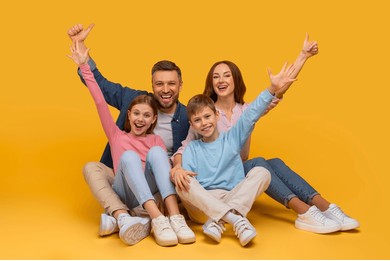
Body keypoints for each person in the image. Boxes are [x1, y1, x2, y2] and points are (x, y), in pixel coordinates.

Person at [172, 36, 360, 234]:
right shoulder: (204, 112)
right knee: (261, 162)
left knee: (274, 164)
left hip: (236, 174)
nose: (221, 80)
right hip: (216, 176)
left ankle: (324, 206)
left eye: (226, 75)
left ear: (235, 80)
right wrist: (177, 167)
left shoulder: (244, 111)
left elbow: (277, 89)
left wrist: (302, 57)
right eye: (216, 77)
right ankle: (302, 210)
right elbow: (186, 147)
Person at [67, 23, 194, 244]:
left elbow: (208, 128)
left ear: (181, 85)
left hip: (158, 183)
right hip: (124, 181)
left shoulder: (185, 118)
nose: (165, 89)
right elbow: (100, 95)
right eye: (159, 84)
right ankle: (131, 217)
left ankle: (168, 217)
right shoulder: (121, 126)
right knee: (118, 160)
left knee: (158, 154)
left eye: (171, 84)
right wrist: (83, 58)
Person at [176, 63, 296, 246]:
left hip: (232, 196)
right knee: (183, 183)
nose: (204, 123)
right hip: (204, 206)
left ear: (217, 116)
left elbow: (251, 114)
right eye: (197, 120)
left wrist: (272, 88)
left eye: (207, 117)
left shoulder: (232, 138)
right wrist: (178, 170)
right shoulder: (192, 149)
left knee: (263, 172)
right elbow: (193, 188)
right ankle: (236, 220)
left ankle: (218, 222)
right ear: (192, 125)